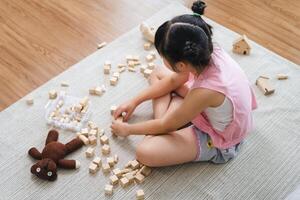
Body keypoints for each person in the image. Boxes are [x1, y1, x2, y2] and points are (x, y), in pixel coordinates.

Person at [110, 0, 257, 167]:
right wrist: (134, 101)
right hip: (211, 104)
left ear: (181, 65)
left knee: (145, 152)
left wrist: (128, 130)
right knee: (158, 73)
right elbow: (173, 80)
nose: (163, 60)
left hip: (222, 139)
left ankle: (164, 122)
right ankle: (166, 118)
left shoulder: (205, 91)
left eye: (163, 57)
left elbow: (168, 125)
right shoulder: (206, 51)